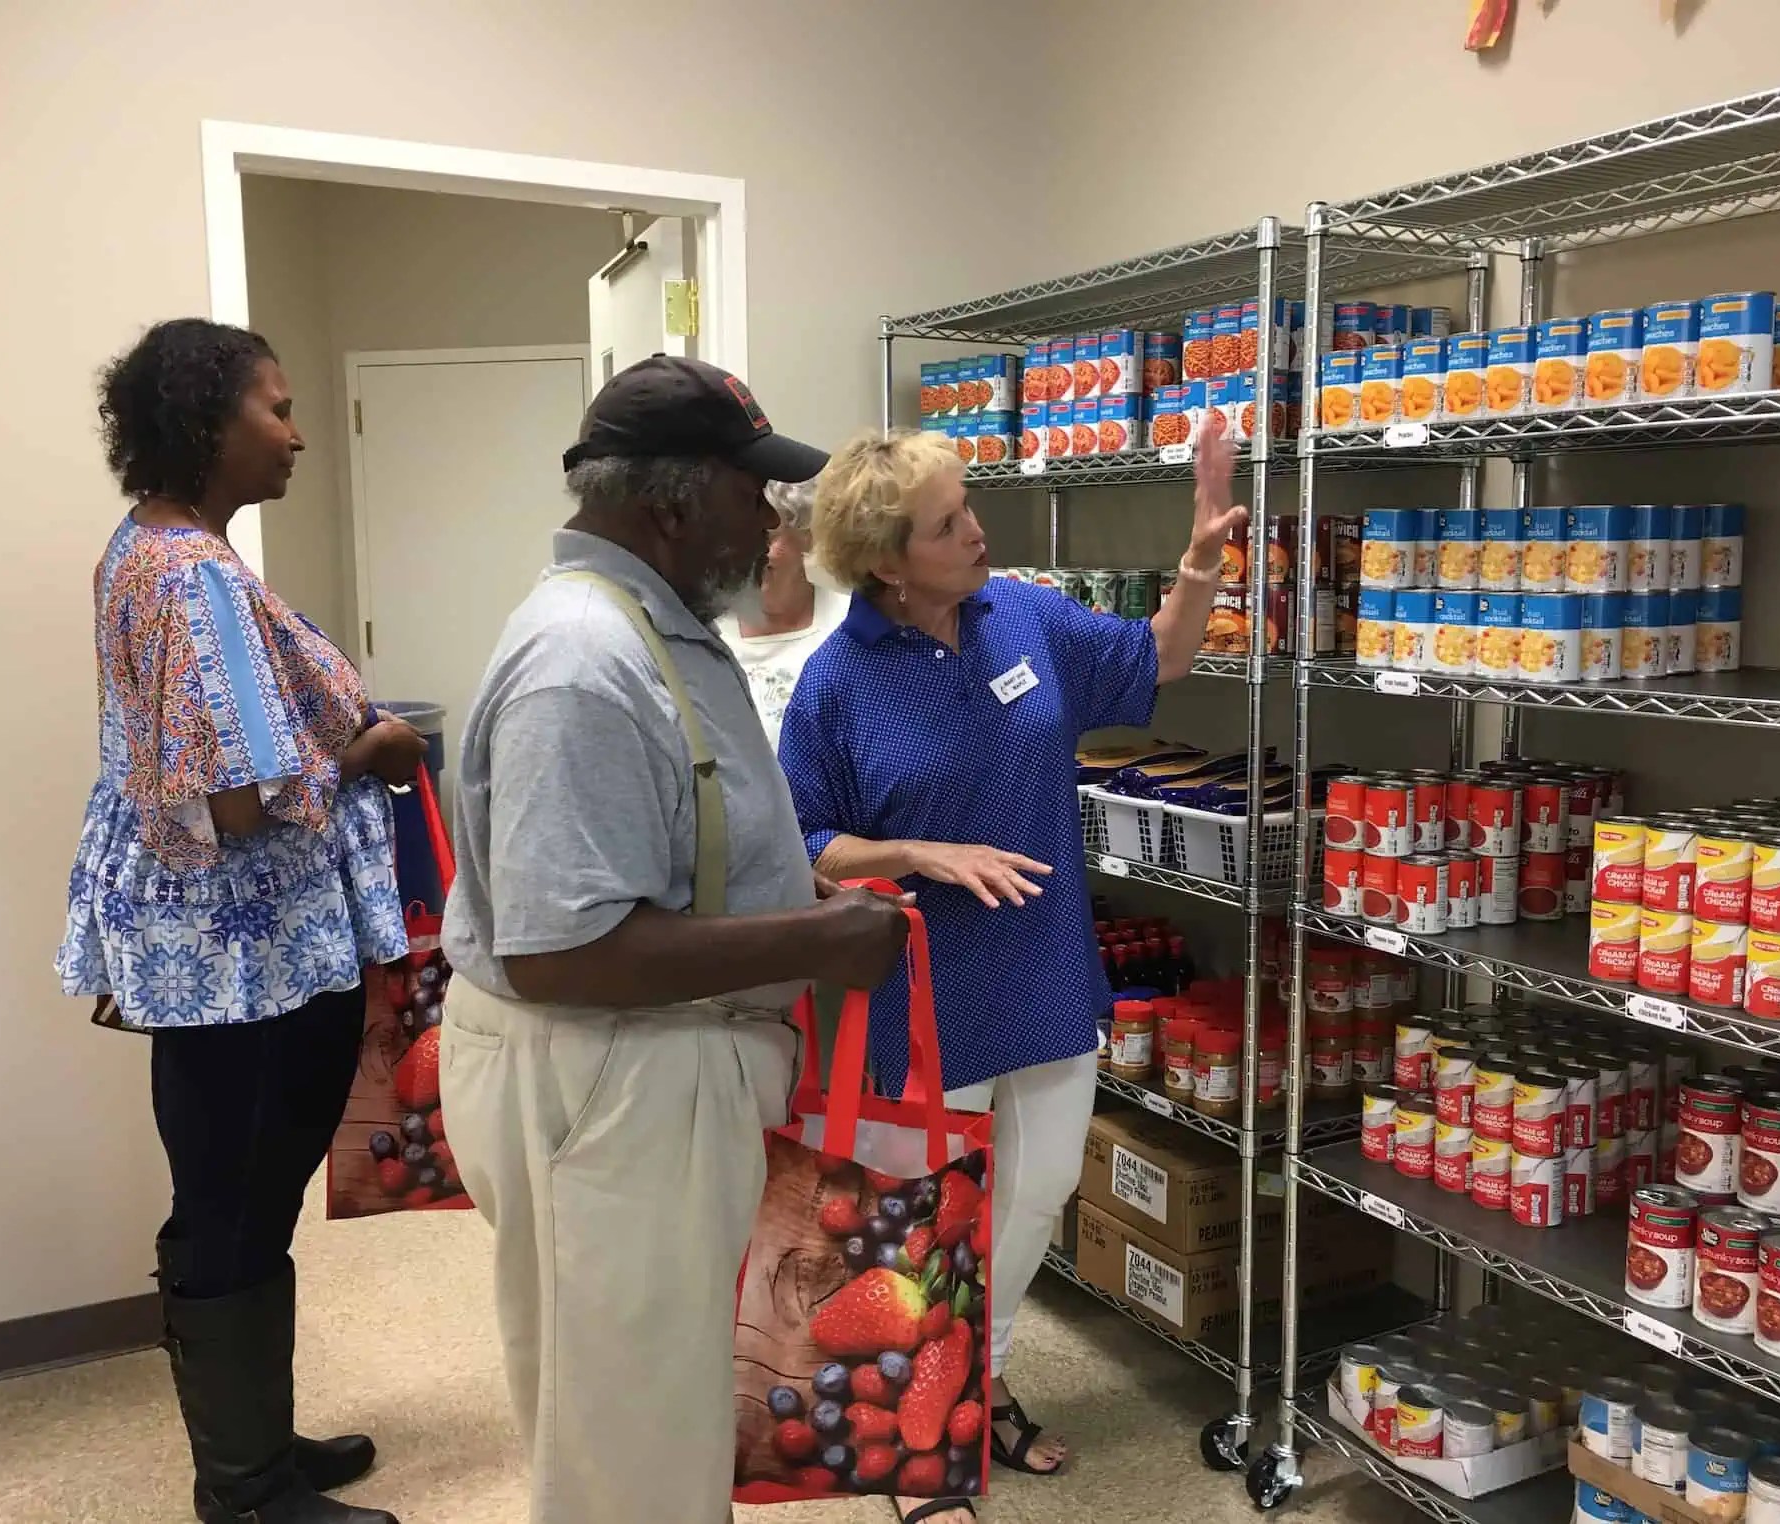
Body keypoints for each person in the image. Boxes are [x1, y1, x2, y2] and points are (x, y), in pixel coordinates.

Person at [433, 355, 912, 1524]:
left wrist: (784, 887)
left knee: (661, 1401)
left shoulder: (656, 628)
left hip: (652, 1076)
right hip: (608, 1079)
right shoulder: (582, 667)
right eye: (751, 491)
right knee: (624, 1435)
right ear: (670, 499)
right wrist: (815, 937)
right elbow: (561, 950)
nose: (771, 517)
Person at [778, 422, 1245, 1524]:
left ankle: (969, 1388)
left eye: (969, 505)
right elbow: (800, 844)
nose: (978, 531)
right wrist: (912, 854)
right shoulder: (837, 686)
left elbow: (1159, 657)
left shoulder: (1023, 615)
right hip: (921, 1000)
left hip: (1041, 970)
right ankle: (913, 1448)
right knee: (924, 1222)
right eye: (949, 524)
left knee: (1031, 1202)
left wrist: (1202, 546)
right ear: (887, 561)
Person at [56, 319, 426, 1524]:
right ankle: (246, 1486)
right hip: (245, 954)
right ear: (204, 422)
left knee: (227, 1183)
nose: (296, 433)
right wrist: (365, 750)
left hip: (206, 949)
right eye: (274, 408)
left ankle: (256, 1448)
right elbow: (234, 800)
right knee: (239, 1191)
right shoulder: (196, 578)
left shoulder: (144, 550)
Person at [713, 476, 850, 750]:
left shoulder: (849, 623)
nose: (751, 552)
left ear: (805, 535)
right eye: (737, 538)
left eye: (767, 536)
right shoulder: (707, 634)